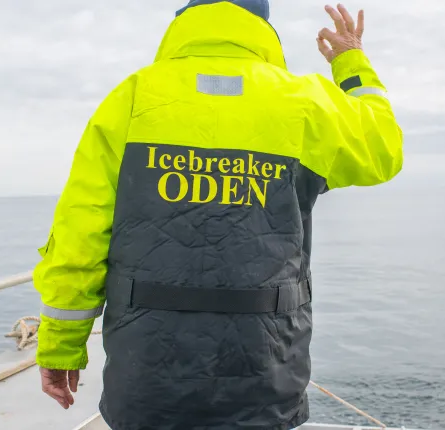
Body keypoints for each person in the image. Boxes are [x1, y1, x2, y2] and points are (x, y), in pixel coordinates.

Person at [33, 1, 403, 429]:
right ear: (261, 23)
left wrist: (61, 347)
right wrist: (350, 61)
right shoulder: (305, 101)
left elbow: (80, 235)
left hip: (145, 371)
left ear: (186, 19)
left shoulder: (133, 97)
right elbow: (384, 149)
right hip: (266, 368)